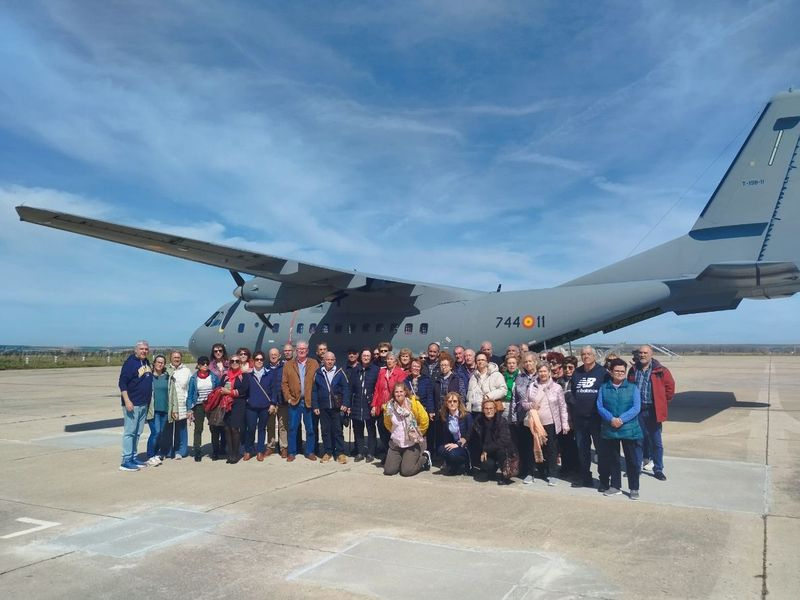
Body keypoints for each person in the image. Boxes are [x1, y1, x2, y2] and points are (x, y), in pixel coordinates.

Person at [629, 344, 675, 481]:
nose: (642, 355)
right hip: (637, 410)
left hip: (653, 410)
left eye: (645, 353)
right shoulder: (633, 370)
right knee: (637, 440)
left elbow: (670, 389)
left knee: (656, 442)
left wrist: (661, 402)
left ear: (651, 354)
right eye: (640, 353)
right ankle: (636, 468)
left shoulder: (661, 370)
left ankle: (658, 469)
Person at [598, 358, 642, 498]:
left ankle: (634, 488)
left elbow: (636, 408)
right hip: (610, 428)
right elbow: (599, 406)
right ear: (611, 372)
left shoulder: (632, 387)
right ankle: (615, 485)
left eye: (622, 371)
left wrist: (621, 420)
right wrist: (611, 419)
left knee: (632, 461)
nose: (619, 373)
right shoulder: (604, 387)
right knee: (613, 459)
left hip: (629, 429)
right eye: (616, 371)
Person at [569, 346, 608, 488]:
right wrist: (575, 405)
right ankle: (585, 478)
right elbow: (572, 392)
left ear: (594, 356)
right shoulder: (577, 373)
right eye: (583, 354)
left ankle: (604, 480)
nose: (586, 356)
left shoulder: (602, 373)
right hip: (580, 420)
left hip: (597, 420)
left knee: (601, 451)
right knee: (582, 451)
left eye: (589, 354)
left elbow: (607, 394)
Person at [529, 362, 569, 485]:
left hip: (551, 422)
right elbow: (525, 403)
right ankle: (542, 471)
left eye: (545, 371)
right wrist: (531, 405)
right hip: (536, 423)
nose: (542, 374)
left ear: (549, 372)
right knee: (538, 448)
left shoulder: (556, 388)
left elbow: (562, 406)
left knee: (552, 449)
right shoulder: (532, 386)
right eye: (540, 371)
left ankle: (553, 473)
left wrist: (565, 423)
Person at [281, 341, 319, 462]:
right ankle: (292, 452)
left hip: (309, 401)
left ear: (307, 350)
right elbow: (284, 383)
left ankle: (310, 451)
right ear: (295, 351)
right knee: (292, 428)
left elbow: (318, 383)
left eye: (304, 349)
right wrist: (288, 398)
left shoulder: (314, 363)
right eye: (299, 349)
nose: (301, 351)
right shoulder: (288, 365)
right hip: (294, 401)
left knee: (310, 428)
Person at [118, 340, 153, 471]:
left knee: (138, 432)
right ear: (136, 350)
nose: (144, 351)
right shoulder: (130, 363)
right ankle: (126, 460)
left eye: (146, 349)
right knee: (130, 432)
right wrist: (127, 401)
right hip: (132, 404)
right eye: (141, 349)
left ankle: (133, 456)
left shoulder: (146, 362)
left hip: (143, 403)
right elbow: (122, 383)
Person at [382, 383, 430, 477]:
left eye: (401, 391)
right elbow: (387, 423)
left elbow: (425, 420)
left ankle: (424, 459)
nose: (399, 394)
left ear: (405, 392)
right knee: (389, 471)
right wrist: (393, 432)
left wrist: (419, 433)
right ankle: (401, 460)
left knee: (406, 471)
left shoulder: (413, 404)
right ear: (393, 393)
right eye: (396, 392)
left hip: (411, 444)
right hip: (396, 444)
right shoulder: (389, 406)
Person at [467, 397, 517, 485]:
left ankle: (506, 475)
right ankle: (490, 471)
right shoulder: (478, 421)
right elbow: (471, 437)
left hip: (500, 450)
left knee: (502, 451)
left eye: (491, 408)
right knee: (485, 468)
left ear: (495, 410)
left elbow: (504, 440)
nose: (488, 411)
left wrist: (486, 449)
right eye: (486, 408)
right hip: (486, 452)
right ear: (483, 410)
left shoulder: (502, 421)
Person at [312, 351, 350, 464]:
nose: (329, 362)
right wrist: (315, 405)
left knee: (338, 430)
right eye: (327, 360)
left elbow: (346, 389)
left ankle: (340, 453)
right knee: (325, 431)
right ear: (323, 360)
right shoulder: (318, 373)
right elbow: (314, 391)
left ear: (335, 360)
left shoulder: (340, 372)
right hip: (323, 407)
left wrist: (346, 403)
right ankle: (328, 452)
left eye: (332, 360)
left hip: (336, 407)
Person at [244, 351, 278, 461]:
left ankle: (259, 451)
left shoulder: (269, 374)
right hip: (251, 407)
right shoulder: (248, 375)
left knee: (262, 429)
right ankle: (248, 450)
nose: (259, 361)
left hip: (264, 407)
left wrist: (273, 403)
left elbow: (274, 390)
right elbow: (244, 390)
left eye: (261, 359)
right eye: (257, 359)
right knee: (251, 429)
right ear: (253, 361)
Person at [372, 352, 407, 457]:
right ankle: (387, 452)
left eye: (391, 359)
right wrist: (374, 405)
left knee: (393, 431)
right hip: (381, 406)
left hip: (393, 407)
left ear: (396, 361)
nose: (389, 361)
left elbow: (400, 391)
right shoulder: (382, 372)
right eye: (388, 359)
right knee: (381, 429)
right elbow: (377, 389)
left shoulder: (400, 373)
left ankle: (394, 454)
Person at [186, 355, 220, 462]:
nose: (205, 365)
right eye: (202, 363)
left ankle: (215, 451)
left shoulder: (213, 377)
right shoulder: (193, 378)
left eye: (206, 363)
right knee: (198, 429)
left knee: (214, 429)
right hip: (199, 405)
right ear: (198, 365)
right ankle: (197, 452)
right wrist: (189, 409)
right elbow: (190, 394)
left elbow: (218, 389)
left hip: (212, 405)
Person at [348, 348, 380, 462]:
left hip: (369, 404)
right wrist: (348, 405)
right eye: (364, 356)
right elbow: (350, 388)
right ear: (360, 357)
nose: (366, 358)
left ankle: (371, 452)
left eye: (368, 356)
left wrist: (375, 404)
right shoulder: (355, 370)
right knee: (358, 430)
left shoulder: (376, 370)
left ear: (371, 357)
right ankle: (360, 452)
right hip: (357, 403)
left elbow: (378, 389)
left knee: (371, 430)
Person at [512, 352, 539, 484]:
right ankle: (528, 471)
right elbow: (514, 398)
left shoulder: (541, 375)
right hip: (523, 416)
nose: (528, 364)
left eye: (530, 361)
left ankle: (543, 470)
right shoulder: (519, 378)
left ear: (535, 362)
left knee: (541, 445)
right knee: (526, 445)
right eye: (526, 362)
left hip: (539, 416)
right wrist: (514, 415)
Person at [219, 353, 250, 464]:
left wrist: (230, 392)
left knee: (235, 429)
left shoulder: (244, 376)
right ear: (229, 363)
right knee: (227, 428)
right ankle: (230, 453)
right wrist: (223, 392)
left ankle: (235, 454)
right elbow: (221, 387)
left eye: (237, 361)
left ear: (240, 363)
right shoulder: (225, 376)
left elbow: (244, 391)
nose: (235, 363)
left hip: (239, 404)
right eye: (232, 361)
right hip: (227, 404)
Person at [436, 391, 473, 475]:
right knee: (441, 450)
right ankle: (452, 465)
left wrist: (459, 444)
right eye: (449, 401)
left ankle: (463, 464)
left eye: (455, 401)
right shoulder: (444, 416)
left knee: (453, 454)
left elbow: (469, 434)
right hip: (453, 444)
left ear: (459, 403)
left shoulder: (467, 416)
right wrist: (447, 445)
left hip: (465, 446)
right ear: (446, 403)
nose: (452, 403)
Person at [164, 351, 192, 459]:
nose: (176, 359)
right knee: (168, 428)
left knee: (181, 429)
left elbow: (190, 388)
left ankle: (181, 451)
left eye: (178, 357)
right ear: (170, 358)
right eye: (174, 357)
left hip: (182, 403)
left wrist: (189, 405)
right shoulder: (166, 370)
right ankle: (168, 450)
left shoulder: (186, 371)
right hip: (169, 404)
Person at [404, 358, 434, 454]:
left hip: (423, 411)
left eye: (418, 366)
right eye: (413, 366)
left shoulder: (426, 380)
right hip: (410, 412)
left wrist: (430, 411)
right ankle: (412, 453)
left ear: (420, 368)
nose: (415, 368)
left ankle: (424, 453)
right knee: (411, 433)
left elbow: (430, 396)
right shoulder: (406, 380)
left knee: (422, 433)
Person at [466, 352, 507, 419]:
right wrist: (468, 408)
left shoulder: (496, 374)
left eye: (483, 360)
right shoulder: (473, 377)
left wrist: (489, 396)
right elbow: (470, 394)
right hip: (476, 411)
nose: (480, 362)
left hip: (491, 410)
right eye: (478, 360)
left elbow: (503, 390)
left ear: (487, 361)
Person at [264, 347, 288, 458]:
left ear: (279, 356)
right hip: (270, 403)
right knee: (270, 425)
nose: (273, 356)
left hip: (282, 401)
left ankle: (283, 447)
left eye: (275, 354)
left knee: (283, 426)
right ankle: (271, 447)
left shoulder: (284, 367)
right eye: (271, 354)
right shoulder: (265, 368)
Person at [145, 355, 168, 466]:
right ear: (154, 363)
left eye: (162, 362)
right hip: (153, 410)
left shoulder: (167, 376)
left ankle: (156, 454)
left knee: (161, 433)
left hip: (164, 409)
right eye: (158, 362)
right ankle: (150, 455)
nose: (160, 364)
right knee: (155, 432)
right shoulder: (148, 377)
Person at [501, 355, 520, 420]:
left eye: (513, 363)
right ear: (506, 365)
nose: (511, 365)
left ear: (517, 364)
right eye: (509, 363)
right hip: (506, 405)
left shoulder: (521, 376)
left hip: (517, 406)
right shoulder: (502, 377)